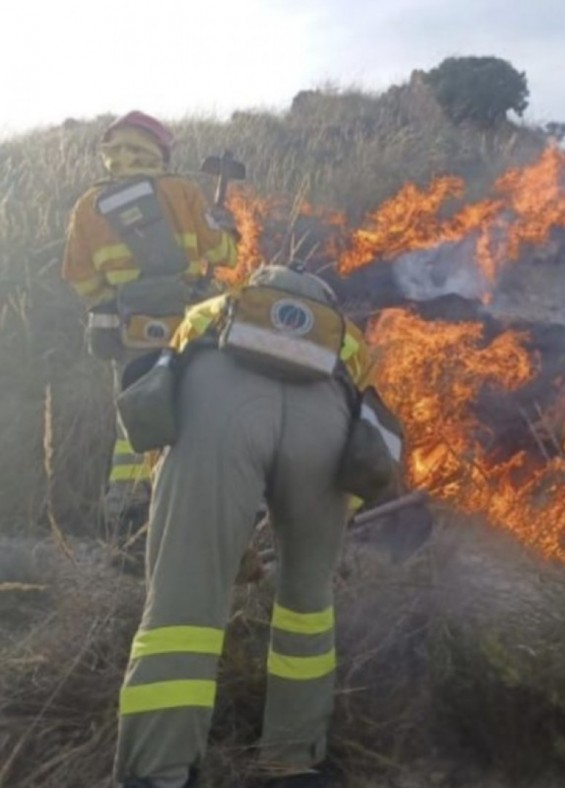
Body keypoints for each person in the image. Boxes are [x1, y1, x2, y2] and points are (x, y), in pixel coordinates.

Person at [114, 265, 398, 788]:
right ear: (325, 305)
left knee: (183, 606)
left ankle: (158, 770)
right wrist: (327, 534)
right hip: (325, 426)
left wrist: (208, 532)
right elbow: (362, 452)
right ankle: (293, 763)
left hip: (216, 403)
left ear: (256, 289)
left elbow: (165, 416)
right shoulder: (347, 342)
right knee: (308, 606)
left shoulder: (212, 312)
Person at [60, 110, 239, 537]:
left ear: (112, 153)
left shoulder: (88, 205)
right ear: (159, 151)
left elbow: (77, 274)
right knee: (197, 406)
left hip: (130, 329)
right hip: (192, 325)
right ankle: (194, 502)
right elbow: (223, 256)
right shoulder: (182, 191)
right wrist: (228, 233)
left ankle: (129, 513)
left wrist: (111, 301)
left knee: (137, 412)